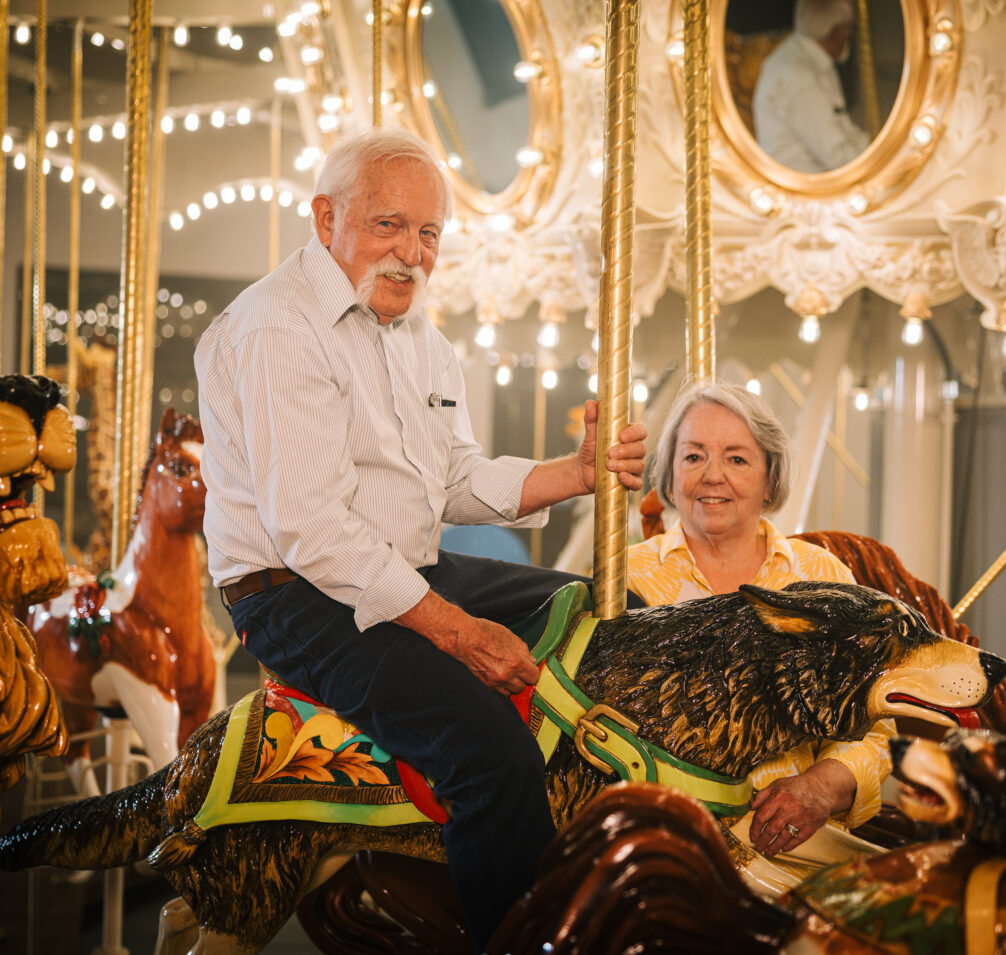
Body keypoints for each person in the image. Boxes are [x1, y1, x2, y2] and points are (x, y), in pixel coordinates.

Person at [194, 128, 647, 951]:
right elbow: (314, 531)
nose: (411, 253)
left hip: (399, 563)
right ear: (326, 218)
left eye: (428, 233)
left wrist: (576, 472)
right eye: (389, 226)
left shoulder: (421, 340)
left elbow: (454, 479)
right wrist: (461, 631)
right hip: (296, 595)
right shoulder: (276, 330)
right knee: (488, 754)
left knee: (591, 606)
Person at [627, 380, 893, 859]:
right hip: (662, 841)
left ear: (770, 480)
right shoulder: (626, 579)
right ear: (668, 478)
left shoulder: (822, 577)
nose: (712, 476)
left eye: (736, 458)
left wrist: (818, 788)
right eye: (693, 457)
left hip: (793, 841)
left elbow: (874, 727)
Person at [752, 0, 870, 173]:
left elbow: (845, 130)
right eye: (848, 28)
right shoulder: (799, 78)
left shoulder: (812, 59)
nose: (849, 36)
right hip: (804, 189)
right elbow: (837, 157)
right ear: (834, 31)